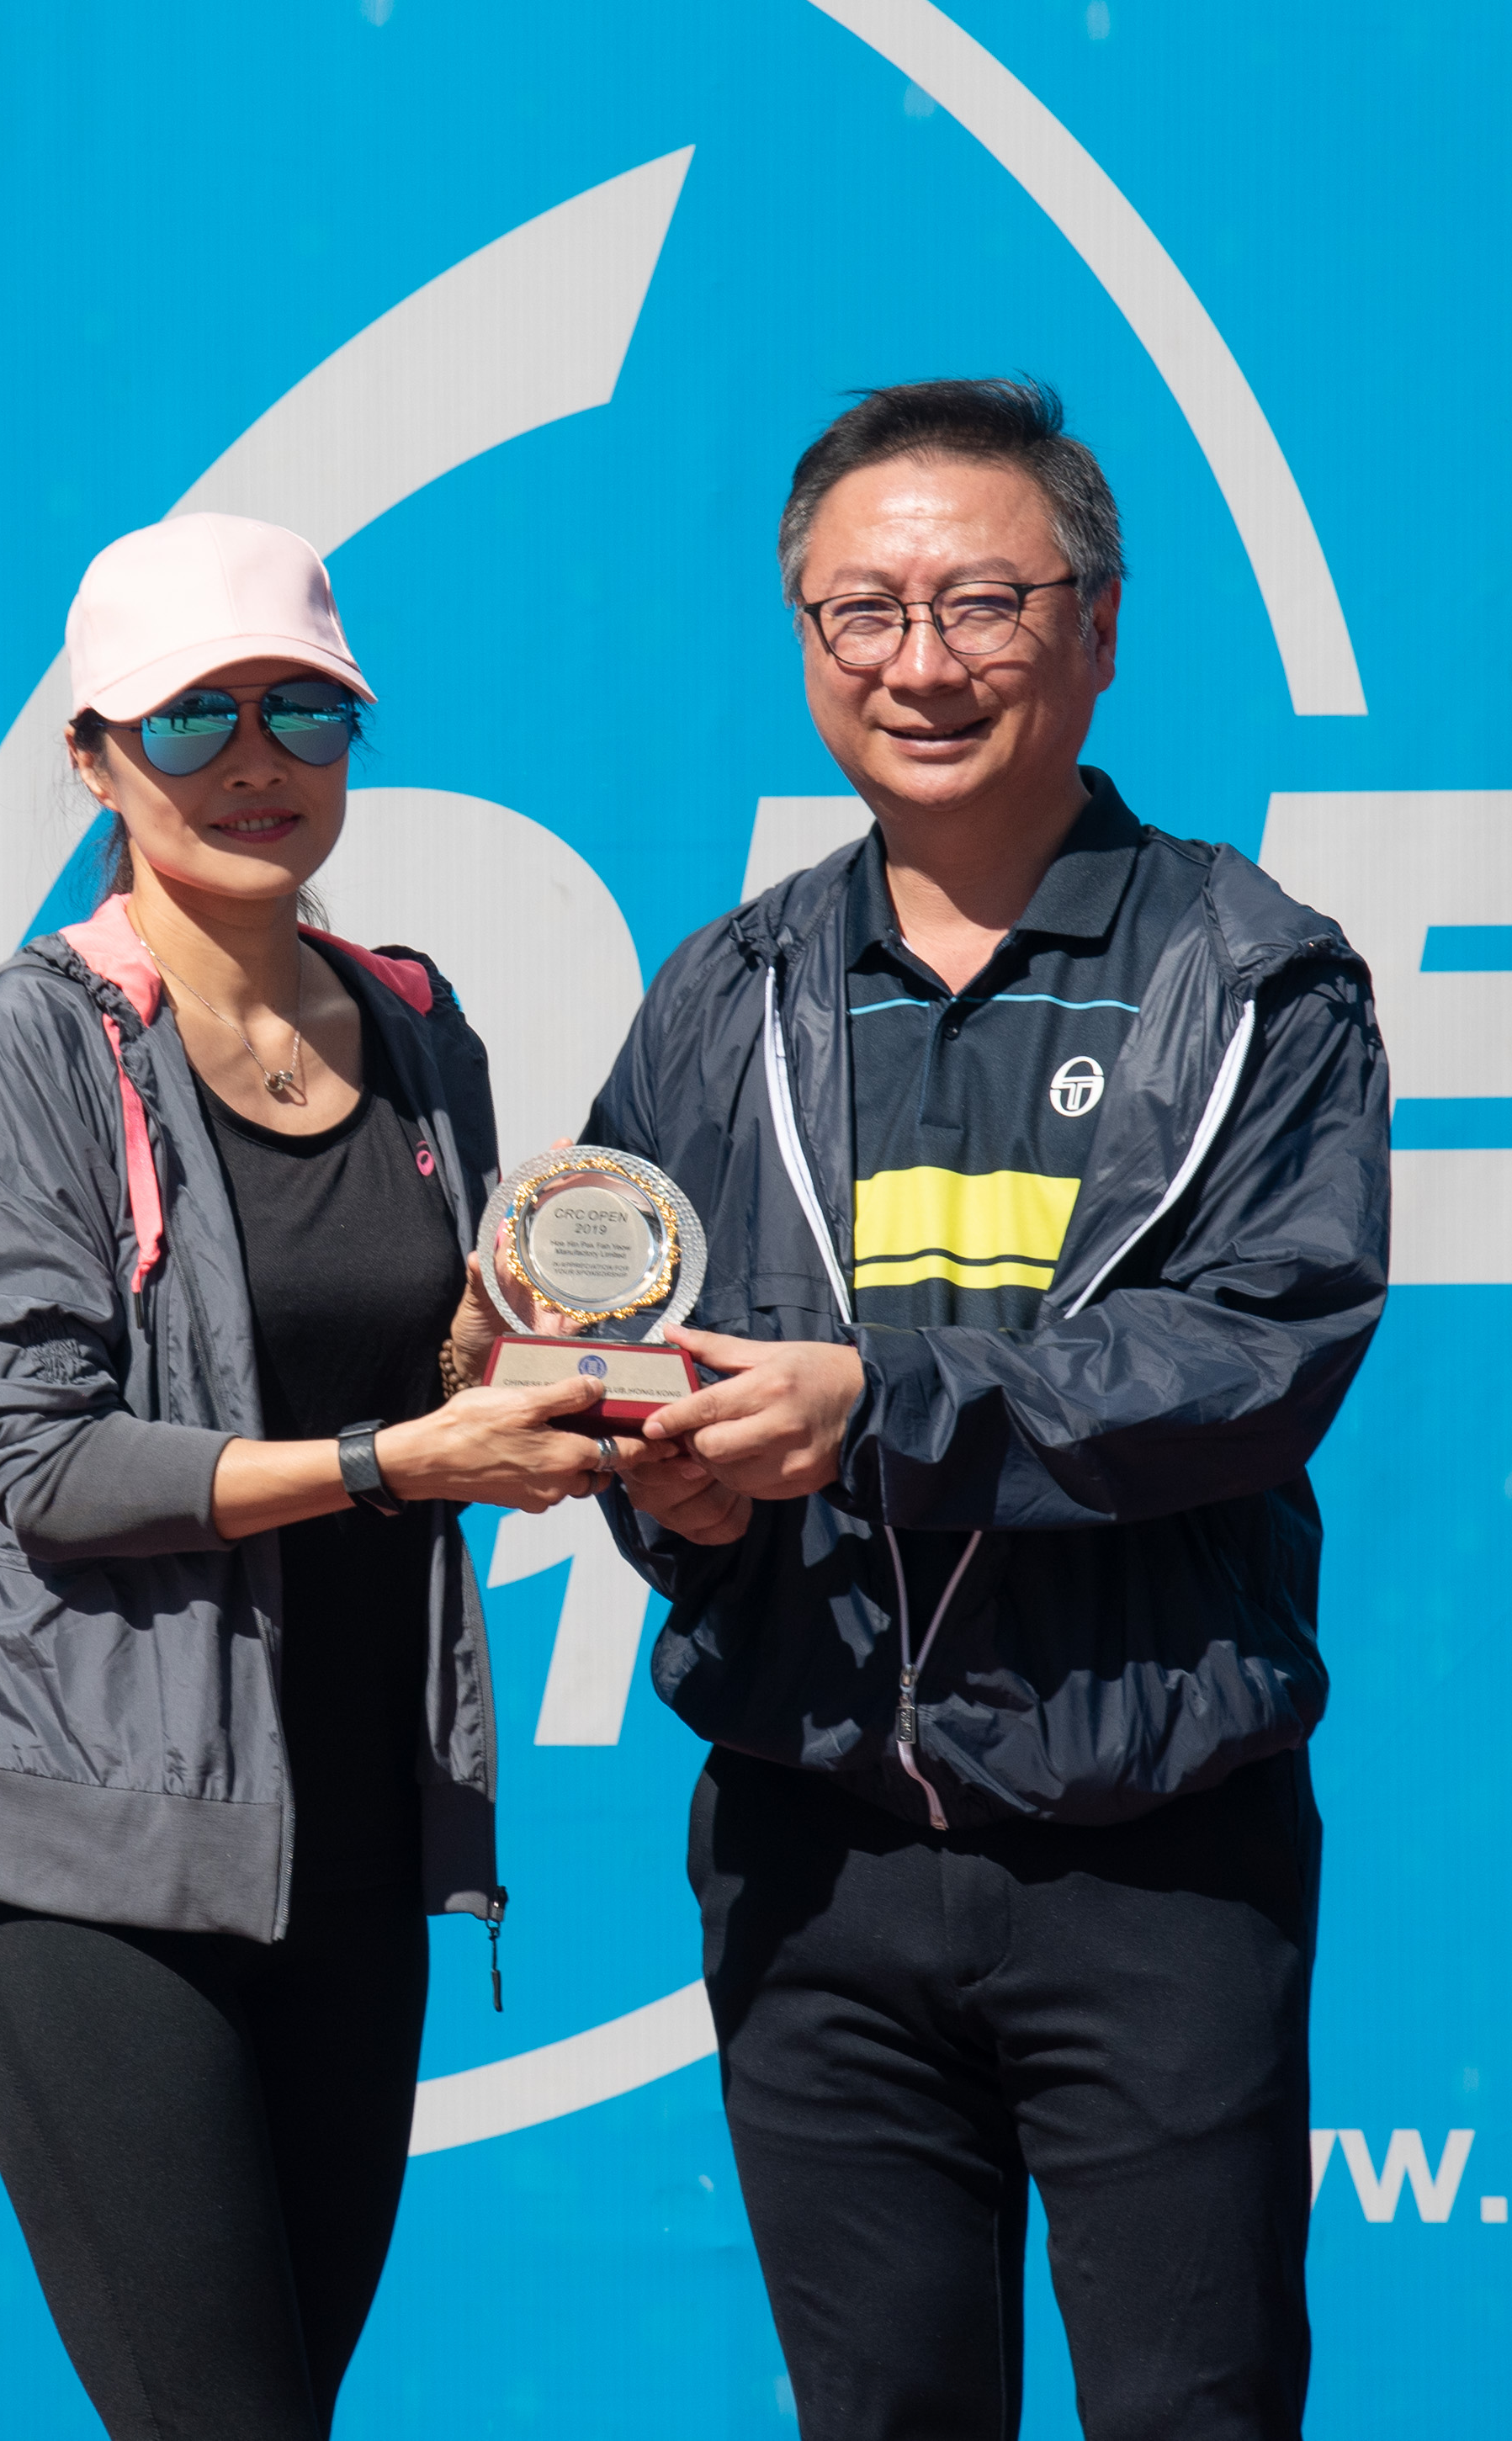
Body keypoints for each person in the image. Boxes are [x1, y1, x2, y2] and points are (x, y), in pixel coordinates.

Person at [585, 380, 1389, 2439]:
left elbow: (1252, 1356)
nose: (916, 662)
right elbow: (628, 1337)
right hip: (813, 1849)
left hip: (1154, 1856)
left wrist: (870, 1408)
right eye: (859, 610)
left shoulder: (1254, 976)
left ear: (1095, 626)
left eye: (979, 602)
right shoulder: (726, 990)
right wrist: (668, 1493)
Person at [0, 512, 617, 2441]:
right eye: (188, 717)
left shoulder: (416, 1024)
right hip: (97, 1853)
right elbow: (46, 1463)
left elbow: (443, 1364)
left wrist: (549, 1377)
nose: (253, 760)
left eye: (302, 709)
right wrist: (400, 1459)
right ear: (92, 758)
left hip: (357, 1836)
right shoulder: (27, 1046)